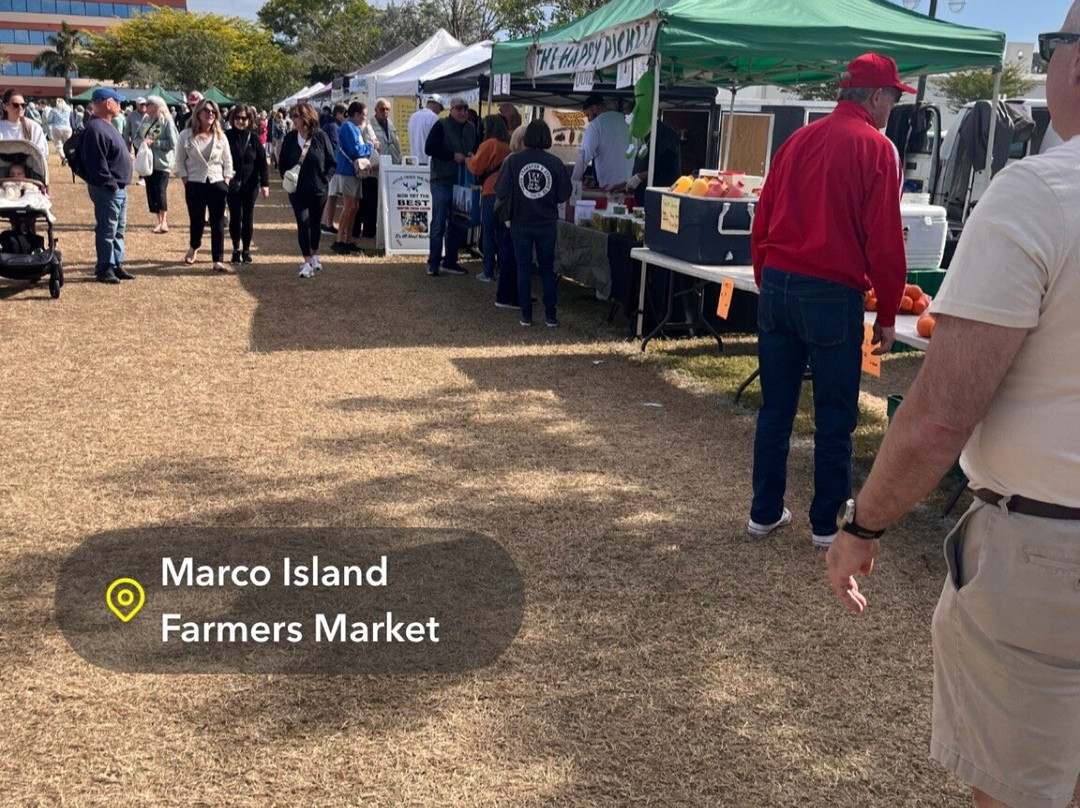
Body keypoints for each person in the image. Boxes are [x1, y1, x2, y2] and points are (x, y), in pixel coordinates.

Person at [826, 9, 1080, 808]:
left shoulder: (1042, 190)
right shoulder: (873, 147)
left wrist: (863, 524)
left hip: (1049, 550)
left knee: (1015, 789)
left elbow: (942, 411)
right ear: (875, 97)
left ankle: (775, 507)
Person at [747, 52, 913, 549]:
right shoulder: (875, 147)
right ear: (877, 97)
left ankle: (764, 511)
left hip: (778, 283)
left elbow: (764, 214)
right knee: (834, 415)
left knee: (775, 408)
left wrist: (765, 277)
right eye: (893, 98)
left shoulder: (798, 139)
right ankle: (825, 525)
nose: (893, 108)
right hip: (831, 291)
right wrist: (887, 311)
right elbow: (885, 240)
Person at [495, 119, 572, 327]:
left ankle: (526, 315)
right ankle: (550, 316)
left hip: (520, 221)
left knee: (523, 268)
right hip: (546, 223)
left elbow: (500, 190)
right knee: (547, 269)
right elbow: (565, 192)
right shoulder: (555, 163)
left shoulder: (513, 161)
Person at [80, 87, 134, 284]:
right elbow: (97, 164)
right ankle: (104, 267)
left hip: (118, 188)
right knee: (107, 229)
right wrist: (110, 184)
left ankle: (116, 263)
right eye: (117, 101)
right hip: (108, 189)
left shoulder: (107, 125)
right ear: (107, 103)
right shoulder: (95, 128)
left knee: (118, 229)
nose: (120, 105)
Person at [278, 102, 336, 278]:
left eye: (297, 116)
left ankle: (314, 252)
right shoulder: (289, 138)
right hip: (297, 191)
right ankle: (307, 261)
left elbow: (332, 162)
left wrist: (324, 180)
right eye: (293, 116)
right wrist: (287, 179)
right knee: (303, 223)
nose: (293, 120)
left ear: (307, 118)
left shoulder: (320, 137)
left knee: (315, 224)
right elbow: (282, 163)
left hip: (318, 189)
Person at [175, 98, 234, 272]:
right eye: (207, 111)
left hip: (217, 182)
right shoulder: (185, 135)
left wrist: (226, 180)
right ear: (198, 113)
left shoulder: (220, 136)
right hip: (195, 183)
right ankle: (194, 246)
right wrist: (186, 180)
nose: (210, 114)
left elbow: (228, 161)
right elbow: (179, 161)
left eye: (213, 112)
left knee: (218, 222)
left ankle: (218, 259)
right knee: (197, 220)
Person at [424, 95, 476, 277]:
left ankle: (451, 261)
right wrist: (451, 155)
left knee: (458, 223)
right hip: (442, 180)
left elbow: (476, 148)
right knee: (439, 222)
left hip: (462, 182)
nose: (462, 112)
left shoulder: (471, 128)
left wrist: (472, 155)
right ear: (451, 110)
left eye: (465, 109)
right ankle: (434, 262)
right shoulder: (441, 125)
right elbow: (429, 147)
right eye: (459, 109)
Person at [467, 114, 512, 285]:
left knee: (488, 232)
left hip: (490, 190)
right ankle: (503, 269)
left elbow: (476, 167)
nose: (483, 129)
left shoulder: (489, 144)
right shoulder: (508, 145)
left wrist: (468, 160)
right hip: (506, 192)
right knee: (502, 234)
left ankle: (488, 271)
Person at [225, 104, 270, 264]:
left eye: (244, 118)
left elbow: (262, 163)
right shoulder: (226, 136)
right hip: (232, 183)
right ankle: (236, 249)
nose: (240, 121)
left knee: (248, 217)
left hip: (250, 184)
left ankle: (246, 250)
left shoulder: (254, 138)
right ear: (232, 119)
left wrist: (265, 184)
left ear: (249, 119)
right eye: (237, 117)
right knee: (235, 216)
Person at [330, 101, 375, 255]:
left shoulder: (353, 128)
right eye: (363, 115)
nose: (365, 119)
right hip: (347, 172)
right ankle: (340, 240)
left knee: (354, 207)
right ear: (356, 114)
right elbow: (356, 150)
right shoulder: (348, 127)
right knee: (349, 207)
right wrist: (371, 146)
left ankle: (348, 239)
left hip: (353, 172)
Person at [571, 94, 634, 193]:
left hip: (611, 190)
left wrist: (573, 182)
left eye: (588, 115)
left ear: (594, 108)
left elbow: (583, 158)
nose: (588, 119)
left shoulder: (596, 125)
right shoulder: (626, 121)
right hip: (631, 187)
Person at [137, 95, 178, 234]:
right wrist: (142, 145)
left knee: (160, 191)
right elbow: (137, 137)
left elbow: (173, 142)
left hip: (162, 162)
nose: (146, 106)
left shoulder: (166, 121)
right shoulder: (145, 120)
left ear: (157, 106)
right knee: (152, 192)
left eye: (150, 104)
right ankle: (158, 220)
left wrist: (155, 144)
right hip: (148, 162)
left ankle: (164, 221)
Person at [625, 119, 681, 206]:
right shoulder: (646, 135)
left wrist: (639, 177)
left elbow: (667, 166)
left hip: (659, 200)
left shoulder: (664, 132)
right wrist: (627, 183)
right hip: (642, 199)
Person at [1, 90, 49, 166]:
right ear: (5, 107)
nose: (20, 108)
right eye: (15, 105)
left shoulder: (34, 127)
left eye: (23, 105)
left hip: (28, 172)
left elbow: (42, 153)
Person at [319, 104, 347, 235]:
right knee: (332, 195)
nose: (346, 117)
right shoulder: (334, 127)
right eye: (345, 114)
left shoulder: (332, 126)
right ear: (339, 114)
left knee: (331, 195)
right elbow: (335, 146)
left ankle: (325, 222)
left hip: (330, 165)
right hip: (332, 165)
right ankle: (327, 223)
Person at [407, 95, 442, 166]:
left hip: (414, 161)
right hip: (428, 161)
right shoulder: (434, 117)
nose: (439, 112)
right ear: (437, 105)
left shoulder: (413, 116)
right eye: (440, 109)